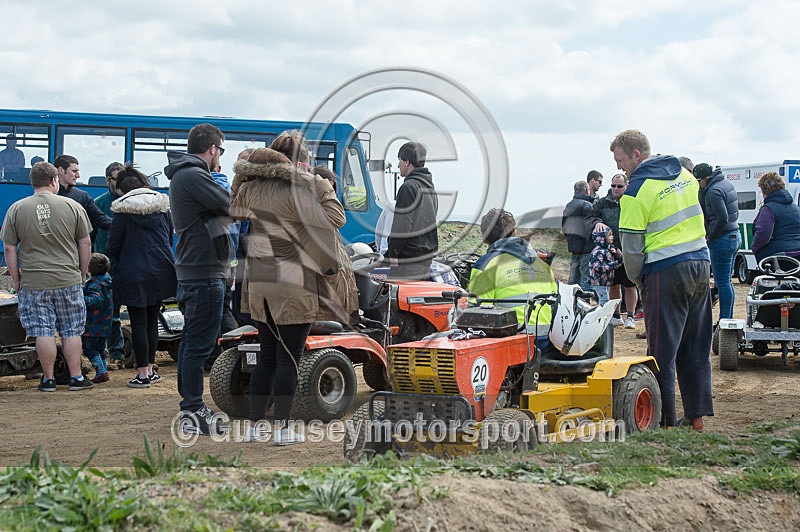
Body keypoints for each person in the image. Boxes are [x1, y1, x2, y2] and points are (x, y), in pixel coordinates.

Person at [230, 139, 345, 445]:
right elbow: (337, 218)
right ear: (300, 163)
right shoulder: (305, 188)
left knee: (267, 356)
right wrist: (318, 181)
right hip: (293, 279)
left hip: (260, 279)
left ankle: (254, 426)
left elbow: (233, 208)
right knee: (289, 360)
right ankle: (282, 428)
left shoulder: (252, 189)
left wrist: (243, 175)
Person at [614, 129, 712, 432]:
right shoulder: (683, 173)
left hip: (666, 270)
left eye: (620, 161)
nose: (619, 168)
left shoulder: (635, 193)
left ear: (636, 156)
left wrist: (638, 282)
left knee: (661, 353)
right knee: (696, 346)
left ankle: (665, 422)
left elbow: (631, 250)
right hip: (700, 262)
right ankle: (695, 418)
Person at [1, 161, 93, 391]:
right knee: (71, 330)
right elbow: (85, 242)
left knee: (43, 331)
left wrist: (16, 279)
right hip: (68, 278)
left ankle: (49, 379)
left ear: (33, 182)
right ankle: (76, 378)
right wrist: (82, 273)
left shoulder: (17, 208)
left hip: (34, 281)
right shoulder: (72, 206)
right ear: (54, 181)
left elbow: (9, 249)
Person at [165, 123, 231, 434]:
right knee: (197, 345)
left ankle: (192, 408)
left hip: (199, 270)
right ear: (213, 149)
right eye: (221, 150)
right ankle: (191, 410)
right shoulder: (193, 174)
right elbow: (230, 204)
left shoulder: (186, 174)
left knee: (195, 343)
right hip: (202, 272)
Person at [107, 164, 177, 388]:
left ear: (122, 190)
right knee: (152, 320)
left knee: (138, 322)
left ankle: (143, 373)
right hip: (161, 269)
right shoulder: (162, 207)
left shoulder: (122, 211)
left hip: (133, 271)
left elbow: (113, 245)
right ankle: (150, 367)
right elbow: (169, 238)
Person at [469, 209, 558, 339]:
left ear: (484, 238)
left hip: (512, 340)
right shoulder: (542, 264)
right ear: (515, 232)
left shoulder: (486, 265)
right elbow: (554, 303)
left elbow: (476, 314)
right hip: (546, 338)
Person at [590, 173, 639, 328]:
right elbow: (590, 216)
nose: (615, 189)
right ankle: (616, 315)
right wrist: (597, 222)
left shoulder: (632, 202)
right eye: (613, 186)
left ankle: (630, 316)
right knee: (613, 285)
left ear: (626, 186)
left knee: (630, 285)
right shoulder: (603, 202)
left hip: (628, 249)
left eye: (619, 186)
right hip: (610, 253)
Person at [694, 163, 740, 322]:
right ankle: (727, 318)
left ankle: (724, 320)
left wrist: (710, 236)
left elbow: (722, 218)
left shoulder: (713, 191)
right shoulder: (725, 184)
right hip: (733, 235)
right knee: (727, 282)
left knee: (722, 283)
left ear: (705, 179)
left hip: (722, 238)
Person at [386, 142, 438, 280]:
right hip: (425, 259)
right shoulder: (429, 188)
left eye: (400, 160)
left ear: (407, 162)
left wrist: (393, 253)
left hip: (407, 261)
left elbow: (402, 226)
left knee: (400, 300)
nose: (398, 165)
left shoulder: (408, 187)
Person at [93, 162, 126, 367]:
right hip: (104, 267)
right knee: (109, 313)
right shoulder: (99, 204)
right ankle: (113, 353)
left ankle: (118, 352)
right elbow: (90, 236)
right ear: (107, 180)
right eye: (116, 178)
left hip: (126, 266)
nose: (120, 183)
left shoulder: (130, 202)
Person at [54, 155, 112, 232]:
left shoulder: (82, 196)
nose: (78, 176)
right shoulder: (47, 195)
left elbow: (101, 219)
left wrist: (124, 225)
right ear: (60, 170)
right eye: (74, 171)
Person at [751, 171, 800, 261]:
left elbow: (763, 234)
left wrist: (755, 248)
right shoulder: (795, 207)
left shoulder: (768, 209)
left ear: (764, 191)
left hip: (780, 255)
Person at [82, 253, 113, 384]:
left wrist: (80, 299)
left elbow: (96, 300)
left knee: (89, 348)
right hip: (105, 322)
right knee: (100, 347)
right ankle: (103, 370)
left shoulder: (95, 284)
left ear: (88, 269)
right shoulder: (107, 280)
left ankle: (101, 371)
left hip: (93, 324)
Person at [562, 180, 594, 289]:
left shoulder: (569, 205)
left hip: (574, 246)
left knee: (573, 278)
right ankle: (585, 303)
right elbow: (592, 225)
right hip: (587, 247)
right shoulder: (587, 205)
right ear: (586, 190)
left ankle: (571, 301)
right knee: (585, 279)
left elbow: (564, 226)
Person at [587, 227, 622, 306]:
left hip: (606, 281)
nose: (612, 237)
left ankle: (603, 315)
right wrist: (613, 265)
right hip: (598, 281)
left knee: (605, 298)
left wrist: (616, 252)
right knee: (604, 300)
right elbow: (597, 267)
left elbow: (621, 259)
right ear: (602, 238)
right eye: (609, 235)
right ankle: (602, 316)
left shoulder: (609, 248)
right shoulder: (598, 251)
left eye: (612, 235)